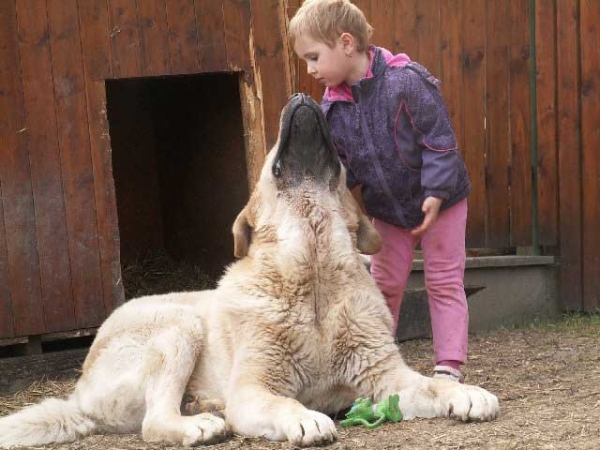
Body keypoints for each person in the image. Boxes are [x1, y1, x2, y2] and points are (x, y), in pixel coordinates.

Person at [289, 0, 471, 383]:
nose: (310, 69)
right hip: (388, 211)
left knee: (443, 280)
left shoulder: (405, 81)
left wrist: (436, 192)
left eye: (314, 57)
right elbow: (343, 170)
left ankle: (448, 367)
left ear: (346, 43)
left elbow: (439, 140)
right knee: (383, 284)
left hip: (442, 202)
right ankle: (375, 362)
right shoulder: (332, 111)